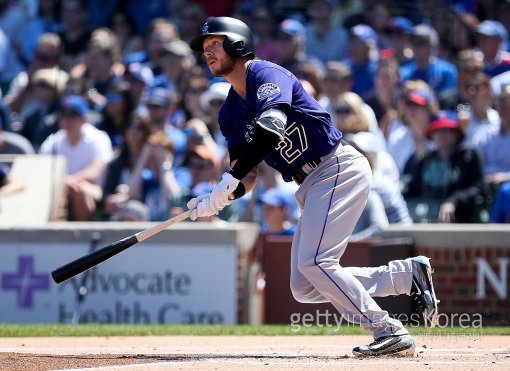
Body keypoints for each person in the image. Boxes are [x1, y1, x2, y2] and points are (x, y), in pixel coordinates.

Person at [188, 16, 439, 358]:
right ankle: (406, 276)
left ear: (238, 44)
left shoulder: (265, 73)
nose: (208, 53)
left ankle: (388, 329)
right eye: (204, 49)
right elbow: (244, 174)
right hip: (311, 183)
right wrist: (218, 198)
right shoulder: (229, 113)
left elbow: (271, 128)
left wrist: (230, 180)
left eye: (214, 44)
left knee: (316, 263)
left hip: (336, 166)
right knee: (305, 285)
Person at [404, 110, 488, 223]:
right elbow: (412, 190)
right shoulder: (425, 160)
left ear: (457, 133)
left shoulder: (468, 156)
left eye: (447, 130)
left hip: (462, 222)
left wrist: (453, 201)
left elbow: (480, 187)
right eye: (437, 130)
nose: (442, 134)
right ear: (431, 135)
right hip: (426, 221)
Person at [39, 95, 113, 221]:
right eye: (64, 115)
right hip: (60, 187)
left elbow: (94, 173)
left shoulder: (98, 138)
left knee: (78, 190)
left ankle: (81, 237)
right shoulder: (53, 142)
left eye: (72, 115)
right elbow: (43, 171)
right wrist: (65, 183)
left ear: (84, 118)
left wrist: (68, 182)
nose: (67, 120)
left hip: (91, 188)